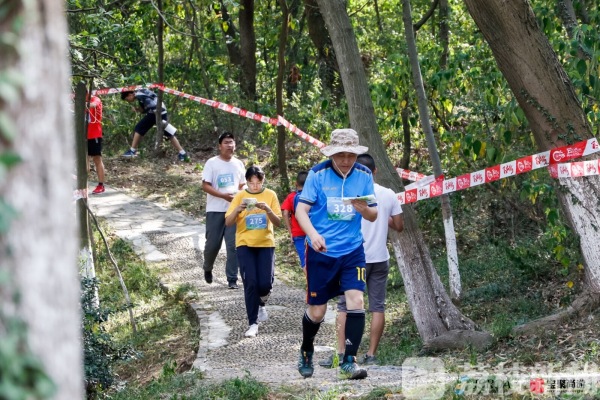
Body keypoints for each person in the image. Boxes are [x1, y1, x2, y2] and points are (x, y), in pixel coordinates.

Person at [294, 128, 378, 380]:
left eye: (350, 155)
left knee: (356, 301)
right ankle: (306, 349)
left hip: (352, 250)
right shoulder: (317, 174)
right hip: (322, 252)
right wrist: (313, 235)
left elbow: (373, 214)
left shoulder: (363, 175)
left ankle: (349, 361)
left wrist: (364, 209)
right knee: (317, 311)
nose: (345, 160)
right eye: (340, 155)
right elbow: (300, 212)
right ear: (331, 153)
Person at [319, 153, 404, 369]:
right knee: (378, 306)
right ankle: (371, 354)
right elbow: (399, 225)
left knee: (345, 307)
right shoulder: (388, 194)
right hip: (380, 258)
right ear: (375, 171)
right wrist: (382, 217)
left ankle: (341, 353)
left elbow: (333, 228)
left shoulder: (345, 194)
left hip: (352, 258)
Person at [225, 166, 282, 338]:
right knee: (250, 282)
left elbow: (278, 222)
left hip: (265, 243)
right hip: (244, 244)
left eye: (258, 182)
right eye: (251, 182)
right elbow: (228, 222)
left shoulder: (270, 195)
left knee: (265, 284)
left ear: (263, 180)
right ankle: (252, 323)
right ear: (247, 181)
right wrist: (238, 209)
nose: (255, 186)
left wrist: (268, 209)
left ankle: (261, 303)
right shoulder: (240, 195)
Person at [202, 132, 246, 289]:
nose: (230, 145)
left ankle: (232, 279)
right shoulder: (212, 163)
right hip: (215, 209)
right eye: (226, 142)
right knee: (212, 245)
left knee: (233, 246)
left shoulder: (239, 164)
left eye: (232, 142)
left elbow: (242, 185)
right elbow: (205, 185)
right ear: (219, 146)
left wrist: (243, 192)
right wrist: (222, 195)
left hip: (233, 210)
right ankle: (207, 267)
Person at [120, 88, 190, 162]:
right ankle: (182, 153)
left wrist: (155, 115)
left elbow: (152, 105)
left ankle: (132, 151)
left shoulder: (139, 95)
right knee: (168, 134)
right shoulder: (141, 93)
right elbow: (144, 109)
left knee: (139, 128)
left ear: (130, 95)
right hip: (162, 112)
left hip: (156, 114)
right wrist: (137, 109)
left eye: (127, 99)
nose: (128, 101)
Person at [280, 171, 308, 269]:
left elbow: (285, 213)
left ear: (296, 184)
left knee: (304, 261)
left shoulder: (291, 196)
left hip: (298, 233)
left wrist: (290, 231)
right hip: (313, 233)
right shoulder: (313, 196)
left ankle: (309, 283)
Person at [86, 94, 106, 194]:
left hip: (94, 134)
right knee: (85, 159)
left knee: (97, 159)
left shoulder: (95, 99)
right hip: (83, 135)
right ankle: (84, 184)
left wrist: (80, 104)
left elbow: (93, 105)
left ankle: (101, 185)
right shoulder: (79, 101)